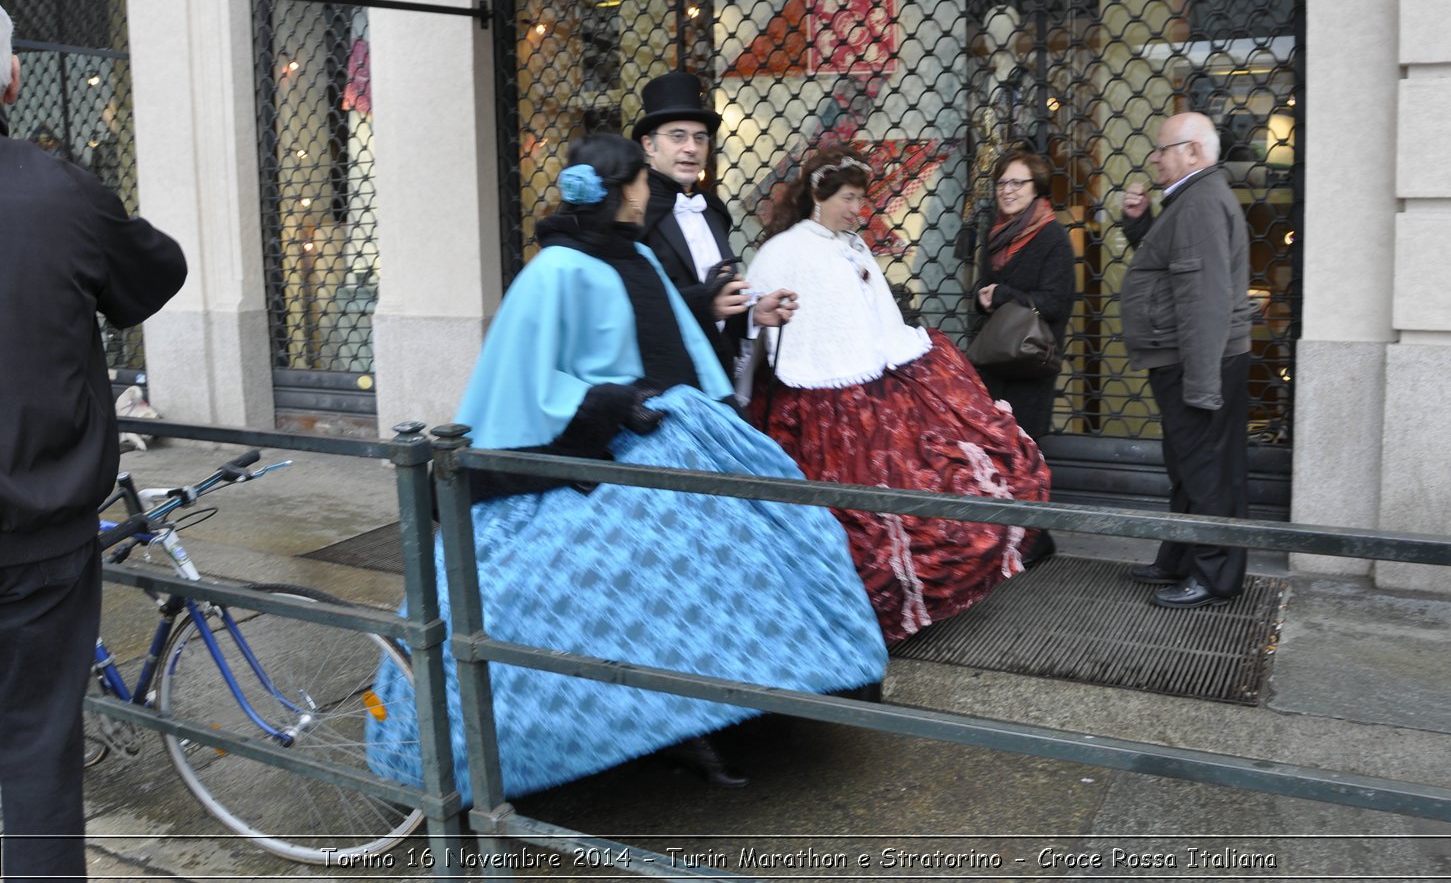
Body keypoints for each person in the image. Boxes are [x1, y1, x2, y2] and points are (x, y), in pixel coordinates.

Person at [365, 134, 885, 800]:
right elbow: (524, 377)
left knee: (745, 556)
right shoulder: (556, 269)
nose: (649, 194)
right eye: (642, 182)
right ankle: (656, 728)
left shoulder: (635, 252)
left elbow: (672, 338)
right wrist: (606, 403)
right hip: (586, 459)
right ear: (621, 188)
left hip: (668, 441)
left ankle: (718, 707)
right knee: (593, 586)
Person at [0, 4, 187, 881]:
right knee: (36, 749)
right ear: (10, 79)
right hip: (38, 531)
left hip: (41, 531)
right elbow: (155, 271)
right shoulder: (56, 189)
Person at [744, 146, 1054, 645]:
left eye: (859, 199)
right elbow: (758, 329)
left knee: (940, 483)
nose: (855, 209)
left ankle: (904, 601)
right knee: (852, 515)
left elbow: (877, 321)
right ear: (819, 196)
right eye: (847, 198)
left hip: (875, 393)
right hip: (817, 408)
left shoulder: (854, 246)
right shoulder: (786, 250)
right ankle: (847, 617)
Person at [1119, 111, 1254, 608]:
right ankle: (1180, 556)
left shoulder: (1199, 204)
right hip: (1190, 359)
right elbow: (1170, 270)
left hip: (1199, 363)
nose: (1155, 158)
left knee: (1206, 470)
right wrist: (1140, 228)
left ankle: (1214, 576)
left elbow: (1203, 300)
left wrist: (1201, 384)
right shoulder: (1192, 200)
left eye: (1162, 149)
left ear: (1193, 152)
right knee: (1189, 467)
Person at [634, 71, 795, 376]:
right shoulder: (632, 214)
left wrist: (753, 314)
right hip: (662, 384)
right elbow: (628, 306)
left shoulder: (713, 211)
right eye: (677, 136)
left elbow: (722, 303)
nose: (691, 148)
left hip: (717, 376)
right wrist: (703, 307)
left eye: (700, 138)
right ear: (649, 145)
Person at [974, 147, 1077, 439]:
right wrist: (984, 300)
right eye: (1002, 183)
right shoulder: (995, 235)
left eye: (1018, 183)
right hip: (994, 362)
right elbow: (984, 291)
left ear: (1036, 189)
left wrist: (1002, 295)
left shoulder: (1053, 237)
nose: (1008, 191)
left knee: (1024, 450)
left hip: (1030, 363)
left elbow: (1056, 302)